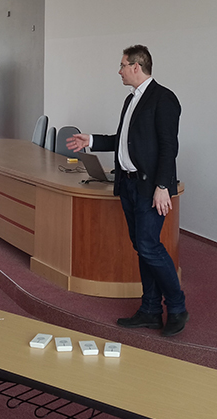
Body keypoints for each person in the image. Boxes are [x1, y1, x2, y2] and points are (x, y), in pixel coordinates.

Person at [66, 44, 189, 337]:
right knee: (142, 247)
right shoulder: (131, 99)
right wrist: (91, 141)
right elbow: (124, 140)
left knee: (149, 246)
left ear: (136, 66)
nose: (119, 71)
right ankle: (150, 309)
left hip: (150, 187)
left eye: (122, 65)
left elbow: (169, 148)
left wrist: (163, 186)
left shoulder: (164, 98)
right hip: (129, 185)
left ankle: (177, 307)